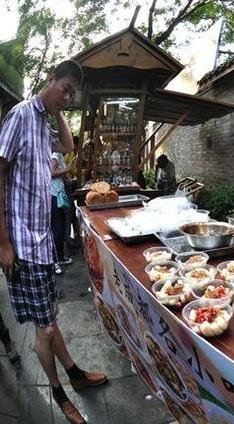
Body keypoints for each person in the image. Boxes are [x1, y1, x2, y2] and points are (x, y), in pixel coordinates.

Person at [0, 60, 107, 424]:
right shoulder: (19, 116)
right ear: (49, 80)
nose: (68, 96)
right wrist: (2, 244)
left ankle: (75, 374)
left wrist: (59, 108)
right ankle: (58, 392)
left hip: (42, 239)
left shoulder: (43, 120)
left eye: (72, 93)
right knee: (43, 327)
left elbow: (68, 146)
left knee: (49, 317)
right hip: (21, 243)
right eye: (64, 88)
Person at [51, 138, 73, 275]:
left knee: (60, 226)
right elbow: (50, 173)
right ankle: (55, 260)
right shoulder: (55, 154)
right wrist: (67, 169)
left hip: (57, 194)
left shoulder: (58, 154)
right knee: (57, 228)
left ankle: (59, 256)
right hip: (53, 195)